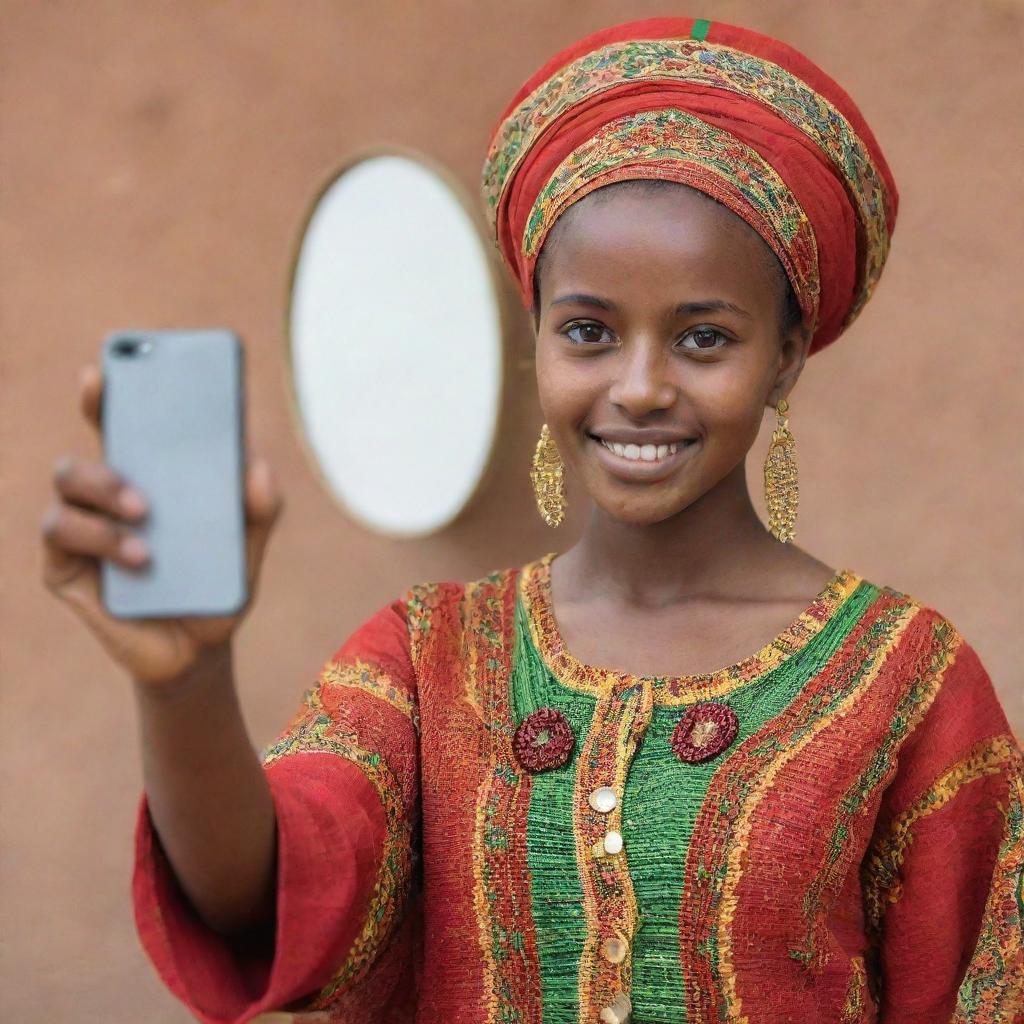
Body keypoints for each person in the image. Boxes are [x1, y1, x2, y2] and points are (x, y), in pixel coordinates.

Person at [41, 15, 1022, 1024]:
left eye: (702, 337)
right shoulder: (429, 657)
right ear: (537, 339)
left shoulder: (908, 681)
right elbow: (267, 896)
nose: (638, 386)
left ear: (784, 356)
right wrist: (184, 684)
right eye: (589, 331)